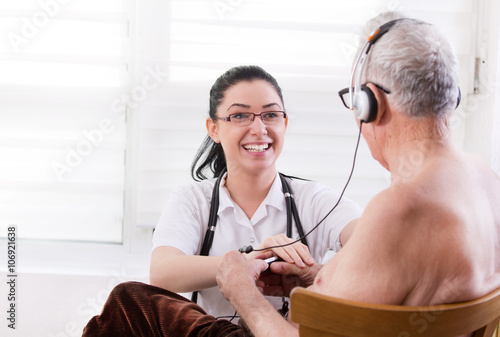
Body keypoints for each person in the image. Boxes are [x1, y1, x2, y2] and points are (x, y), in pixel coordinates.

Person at [82, 13, 500, 337]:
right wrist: (313, 276)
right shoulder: (484, 180)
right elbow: (393, 288)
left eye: (270, 115)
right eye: (240, 116)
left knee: (129, 302)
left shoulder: (400, 206)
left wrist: (239, 285)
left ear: (371, 103)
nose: (258, 128)